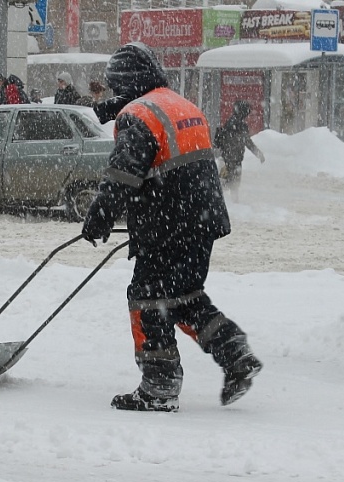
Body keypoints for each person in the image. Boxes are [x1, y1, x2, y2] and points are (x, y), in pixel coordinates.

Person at [81, 42, 264, 412]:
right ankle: (235, 353)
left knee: (147, 297)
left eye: (116, 87)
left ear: (127, 83)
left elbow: (123, 174)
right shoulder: (179, 104)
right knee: (185, 296)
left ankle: (159, 384)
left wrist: (100, 215)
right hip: (202, 221)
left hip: (168, 222)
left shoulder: (137, 113)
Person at [213, 100, 265, 200]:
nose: (247, 115)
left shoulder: (230, 122)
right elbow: (248, 142)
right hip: (234, 160)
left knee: (226, 183)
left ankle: (224, 204)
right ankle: (229, 205)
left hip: (226, 158)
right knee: (232, 185)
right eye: (246, 112)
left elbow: (221, 141)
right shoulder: (240, 125)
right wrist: (258, 154)